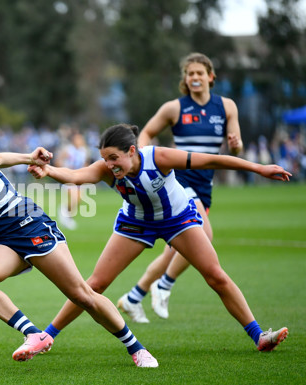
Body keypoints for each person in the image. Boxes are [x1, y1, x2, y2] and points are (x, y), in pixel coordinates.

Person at [0, 116, 159, 367]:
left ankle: (136, 348)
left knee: (82, 296)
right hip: (4, 238)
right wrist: (29, 156)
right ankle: (34, 334)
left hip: (30, 227)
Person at [29, 123, 289, 353]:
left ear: (132, 150)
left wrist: (258, 168)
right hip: (136, 222)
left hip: (178, 219)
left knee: (216, 276)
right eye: (105, 159)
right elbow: (75, 176)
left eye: (114, 157)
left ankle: (259, 336)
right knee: (95, 284)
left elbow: (211, 160)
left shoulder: (160, 157)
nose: (109, 165)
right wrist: (48, 171)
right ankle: (46, 336)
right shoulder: (107, 169)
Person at [116, 53, 245, 323]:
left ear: (211, 76)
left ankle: (134, 296)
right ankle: (163, 286)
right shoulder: (174, 108)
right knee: (204, 234)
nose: (195, 77)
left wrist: (235, 144)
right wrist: (146, 160)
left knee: (176, 249)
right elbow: (146, 133)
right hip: (179, 180)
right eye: (190, 74)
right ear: (185, 79)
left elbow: (237, 147)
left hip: (204, 183)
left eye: (200, 73)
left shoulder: (226, 107)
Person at [55, 129, 90, 230]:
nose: (80, 141)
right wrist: (65, 170)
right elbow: (58, 161)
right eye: (78, 139)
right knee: (74, 198)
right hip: (70, 177)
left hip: (79, 178)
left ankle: (67, 215)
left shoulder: (84, 151)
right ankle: (65, 214)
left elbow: (86, 164)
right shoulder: (68, 150)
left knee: (78, 200)